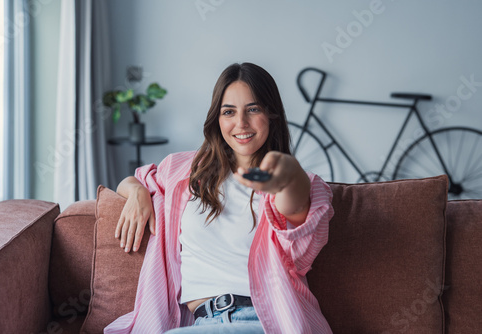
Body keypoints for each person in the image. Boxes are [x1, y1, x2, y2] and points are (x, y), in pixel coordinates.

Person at [104, 63, 334, 334]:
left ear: (271, 114)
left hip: (266, 324)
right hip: (203, 323)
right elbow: (133, 180)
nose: (241, 123)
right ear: (217, 118)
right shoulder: (183, 171)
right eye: (229, 112)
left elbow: (295, 216)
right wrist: (136, 192)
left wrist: (288, 175)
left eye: (253, 109)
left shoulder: (301, 185)